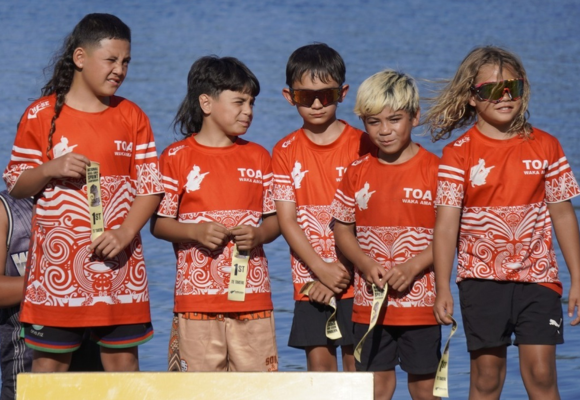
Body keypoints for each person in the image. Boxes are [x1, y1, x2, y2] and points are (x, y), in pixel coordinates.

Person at [2, 13, 163, 373]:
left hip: (120, 270)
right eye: (111, 60)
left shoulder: (133, 116)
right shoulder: (40, 115)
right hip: (57, 275)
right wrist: (50, 169)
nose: (119, 70)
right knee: (50, 371)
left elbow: (151, 188)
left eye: (126, 62)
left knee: (124, 367)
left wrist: (125, 232)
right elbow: (16, 183)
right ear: (80, 58)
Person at [425, 46, 580, 400]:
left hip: (539, 277)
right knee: (486, 377)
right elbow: (446, 227)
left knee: (542, 374)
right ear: (472, 97)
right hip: (480, 281)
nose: (503, 98)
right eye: (489, 90)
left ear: (523, 89)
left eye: (511, 88)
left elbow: (562, 213)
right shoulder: (458, 154)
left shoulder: (547, 146)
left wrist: (578, 280)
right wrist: (442, 287)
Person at [151, 56, 280, 372]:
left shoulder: (259, 157)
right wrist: (195, 232)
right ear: (206, 103)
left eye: (251, 102)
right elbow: (159, 224)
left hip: (253, 300)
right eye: (238, 101)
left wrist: (260, 234)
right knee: (195, 392)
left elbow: (275, 220)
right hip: (196, 303)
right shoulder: (175, 157)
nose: (248, 110)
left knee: (258, 392)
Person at [332, 70, 441, 400]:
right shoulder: (356, 171)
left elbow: (451, 235)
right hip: (370, 303)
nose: (384, 130)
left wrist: (413, 266)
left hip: (422, 304)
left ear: (415, 116)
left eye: (394, 119)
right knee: (376, 388)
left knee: (424, 388)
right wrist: (364, 264)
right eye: (373, 122)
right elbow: (341, 229)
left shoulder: (437, 171)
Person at [272, 43, 373, 372]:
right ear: (290, 97)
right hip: (309, 280)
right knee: (321, 375)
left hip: (358, 278)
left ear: (342, 93)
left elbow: (369, 218)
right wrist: (320, 270)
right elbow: (287, 221)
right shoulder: (284, 151)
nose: (316, 103)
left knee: (357, 371)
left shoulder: (364, 144)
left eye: (326, 95)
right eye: (305, 96)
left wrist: (338, 274)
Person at [0, 191, 104, 399]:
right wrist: (53, 283)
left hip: (91, 368)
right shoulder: (4, 208)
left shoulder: (93, 200)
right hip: (25, 366)